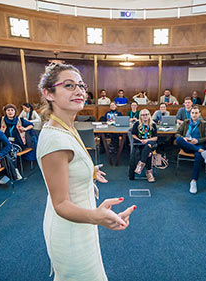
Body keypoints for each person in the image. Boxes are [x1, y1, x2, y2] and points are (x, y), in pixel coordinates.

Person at [36, 63, 135, 280]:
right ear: (48, 93)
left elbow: (71, 165)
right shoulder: (55, 139)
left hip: (81, 221)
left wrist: (89, 171)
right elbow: (61, 204)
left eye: (81, 85)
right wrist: (97, 217)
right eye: (69, 85)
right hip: (69, 231)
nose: (80, 91)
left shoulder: (67, 126)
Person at [175, 106, 206, 194]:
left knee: (198, 156)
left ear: (199, 114)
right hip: (187, 145)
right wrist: (183, 138)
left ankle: (193, 181)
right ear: (190, 114)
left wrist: (198, 141)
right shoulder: (186, 122)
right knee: (178, 140)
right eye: (192, 113)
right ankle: (204, 153)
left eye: (196, 113)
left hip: (198, 145)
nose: (194, 115)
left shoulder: (204, 123)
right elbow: (177, 134)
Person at [131, 109, 158, 183]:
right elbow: (133, 134)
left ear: (149, 115)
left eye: (146, 114)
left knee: (149, 144)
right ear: (140, 116)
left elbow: (155, 138)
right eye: (143, 115)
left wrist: (147, 140)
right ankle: (149, 172)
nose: (145, 116)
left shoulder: (153, 124)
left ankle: (141, 164)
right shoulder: (137, 124)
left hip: (151, 143)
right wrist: (139, 140)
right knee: (148, 153)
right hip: (140, 143)